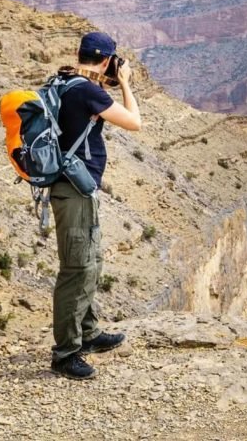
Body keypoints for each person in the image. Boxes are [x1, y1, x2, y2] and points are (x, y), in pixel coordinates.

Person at [49, 31, 142, 380]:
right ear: (106, 60)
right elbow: (135, 122)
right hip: (73, 190)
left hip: (74, 187)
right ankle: (65, 353)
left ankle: (88, 333)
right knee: (76, 267)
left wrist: (107, 79)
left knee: (90, 261)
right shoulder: (88, 91)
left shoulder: (64, 80)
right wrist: (126, 82)